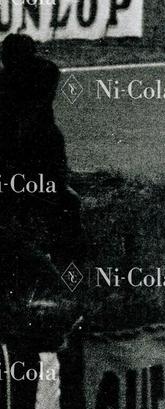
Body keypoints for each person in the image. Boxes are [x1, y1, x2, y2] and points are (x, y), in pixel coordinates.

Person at [0, 32, 82, 261]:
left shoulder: (38, 75)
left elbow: (30, 114)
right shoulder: (43, 73)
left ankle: (63, 250)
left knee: (55, 199)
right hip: (28, 149)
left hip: (34, 148)